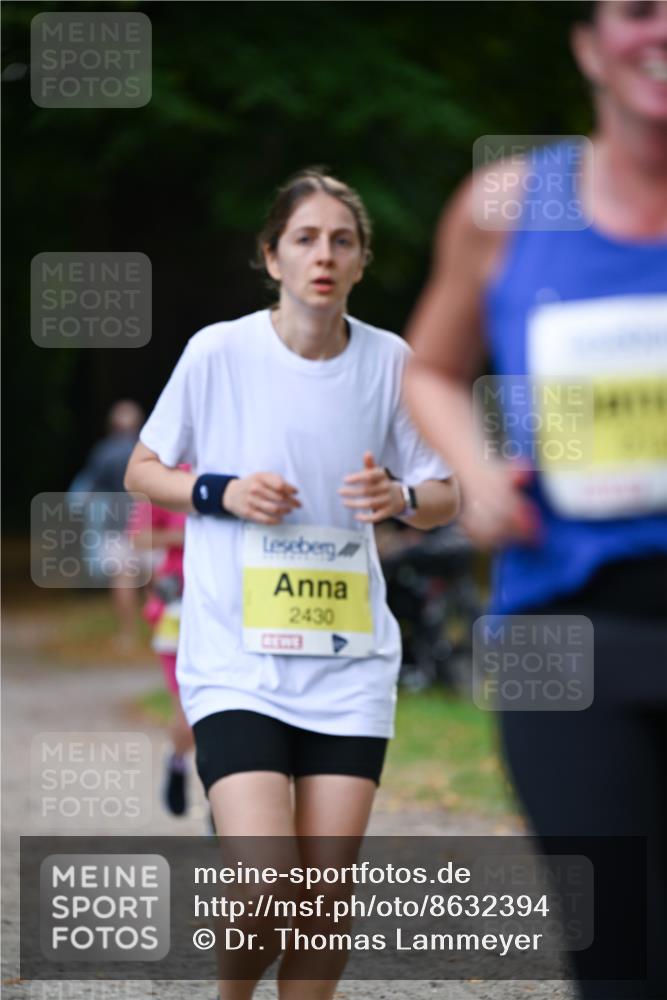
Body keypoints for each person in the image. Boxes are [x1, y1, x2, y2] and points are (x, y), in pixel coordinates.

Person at [125, 168, 459, 999]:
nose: (324, 255)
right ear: (272, 256)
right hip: (237, 659)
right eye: (305, 239)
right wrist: (223, 492)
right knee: (267, 883)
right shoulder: (219, 352)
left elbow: (446, 493)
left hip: (347, 665)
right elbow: (143, 470)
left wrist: (400, 498)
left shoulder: (390, 361)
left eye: (341, 241)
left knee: (323, 899)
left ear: (360, 261)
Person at [403, 3, 667, 998]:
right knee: (619, 964)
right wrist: (474, 472)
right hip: (563, 633)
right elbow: (429, 368)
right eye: (637, 10)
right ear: (589, 45)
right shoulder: (508, 206)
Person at [129, 493, 193, 816]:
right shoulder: (170, 479)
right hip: (176, 608)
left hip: (235, 611)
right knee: (188, 716)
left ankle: (220, 809)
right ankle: (177, 760)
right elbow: (139, 538)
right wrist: (187, 536)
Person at [69, 399, 145, 649]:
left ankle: (128, 634)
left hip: (117, 524)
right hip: (149, 521)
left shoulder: (103, 452)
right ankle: (161, 629)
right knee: (157, 576)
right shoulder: (148, 450)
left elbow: (85, 491)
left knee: (123, 577)